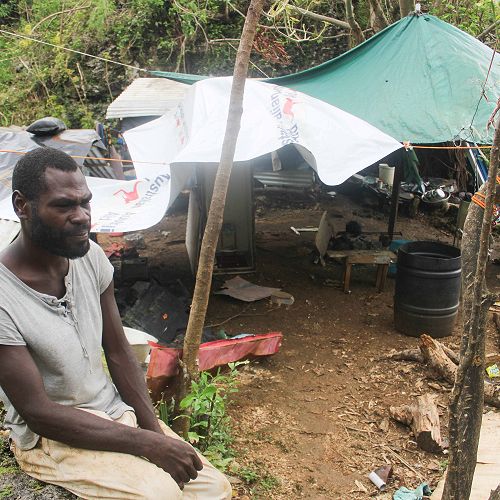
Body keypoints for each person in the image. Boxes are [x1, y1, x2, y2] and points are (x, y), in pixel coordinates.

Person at [0, 147, 232, 499]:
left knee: (213, 488)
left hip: (112, 413)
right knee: (161, 495)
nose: (81, 217)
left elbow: (119, 351)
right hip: (51, 439)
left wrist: (155, 435)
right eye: (64, 205)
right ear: (22, 206)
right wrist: (145, 445)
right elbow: (37, 412)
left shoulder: (90, 258)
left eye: (85, 203)